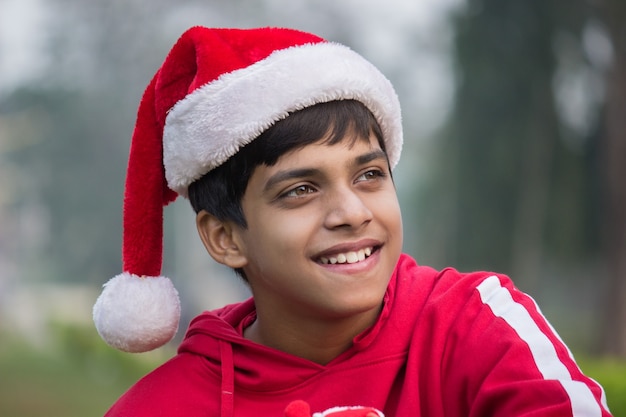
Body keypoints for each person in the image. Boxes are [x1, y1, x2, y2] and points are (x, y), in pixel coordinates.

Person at [93, 26, 612, 417]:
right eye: (300, 190)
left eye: (368, 175)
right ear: (225, 237)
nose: (352, 213)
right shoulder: (163, 405)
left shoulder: (477, 330)